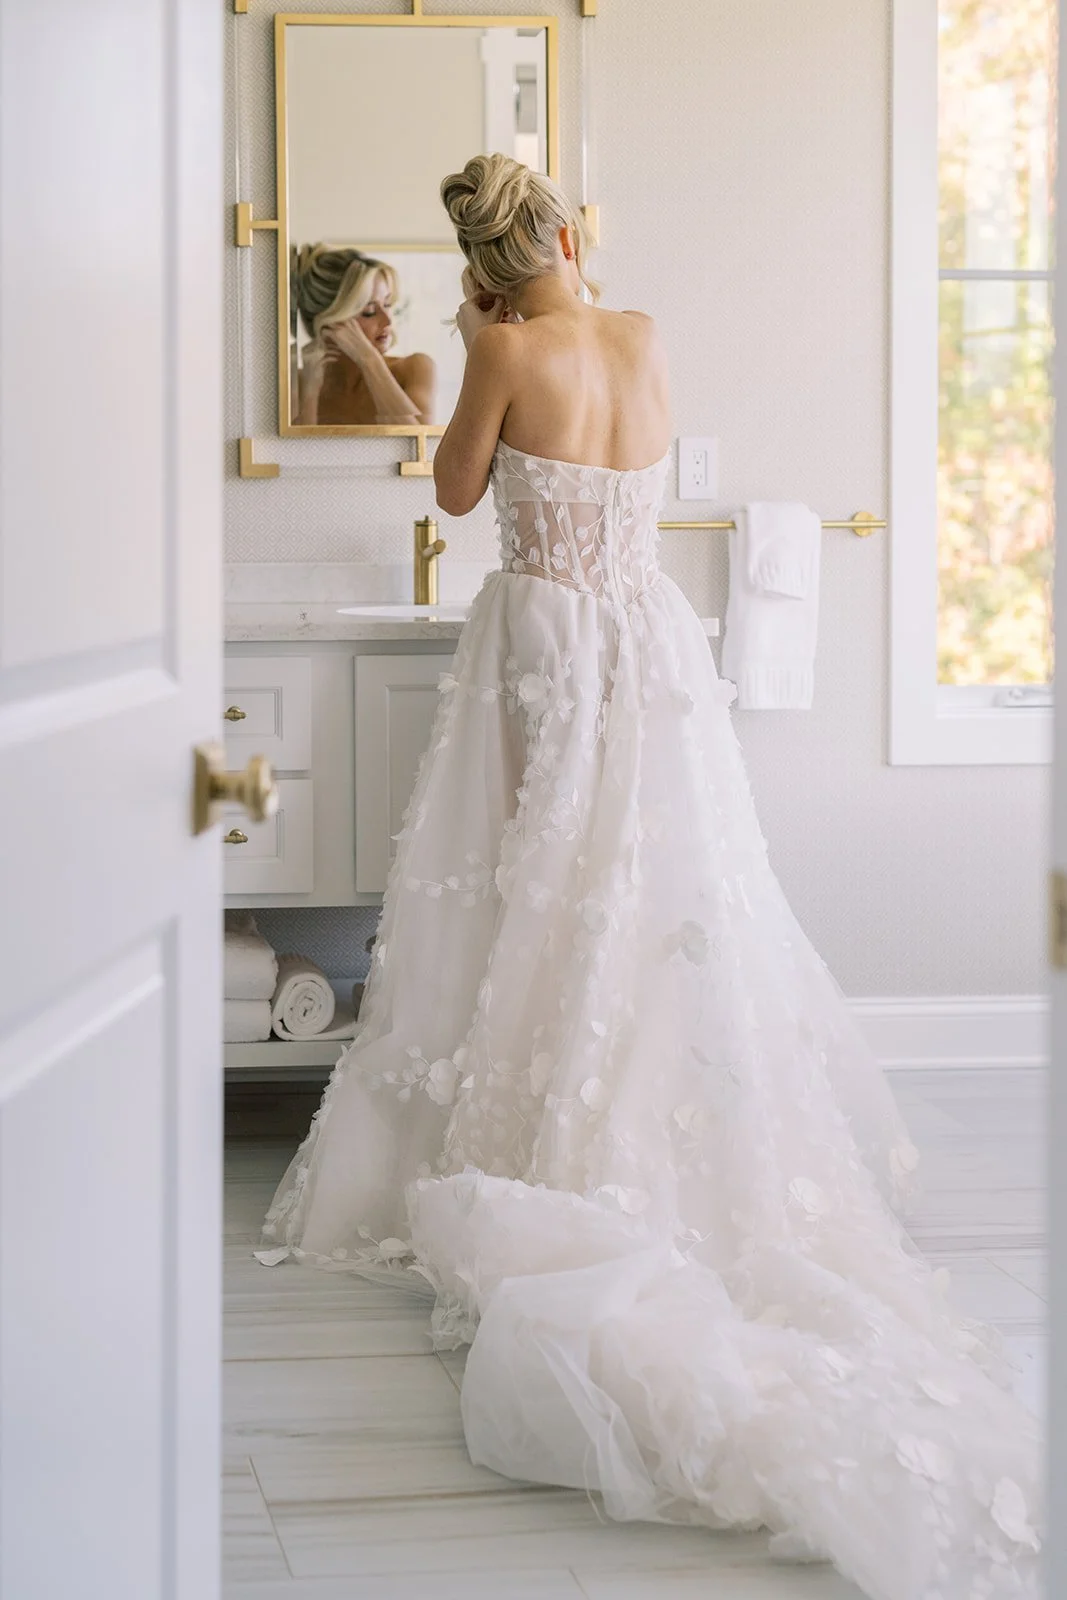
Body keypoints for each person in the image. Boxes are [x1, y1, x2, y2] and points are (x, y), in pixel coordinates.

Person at [259, 155, 1040, 1600]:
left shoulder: (498, 346)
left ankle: (533, 1123)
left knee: (527, 890)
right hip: (647, 639)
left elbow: (453, 484)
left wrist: (477, 345)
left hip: (544, 640)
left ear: (484, 258)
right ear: (563, 232)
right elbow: (635, 468)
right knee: (656, 900)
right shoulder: (641, 336)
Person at [291, 244, 436, 425]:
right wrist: (309, 394)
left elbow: (419, 445)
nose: (388, 321)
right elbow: (297, 451)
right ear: (330, 321)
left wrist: (368, 360)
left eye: (388, 304)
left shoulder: (413, 369)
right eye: (369, 311)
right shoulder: (297, 382)